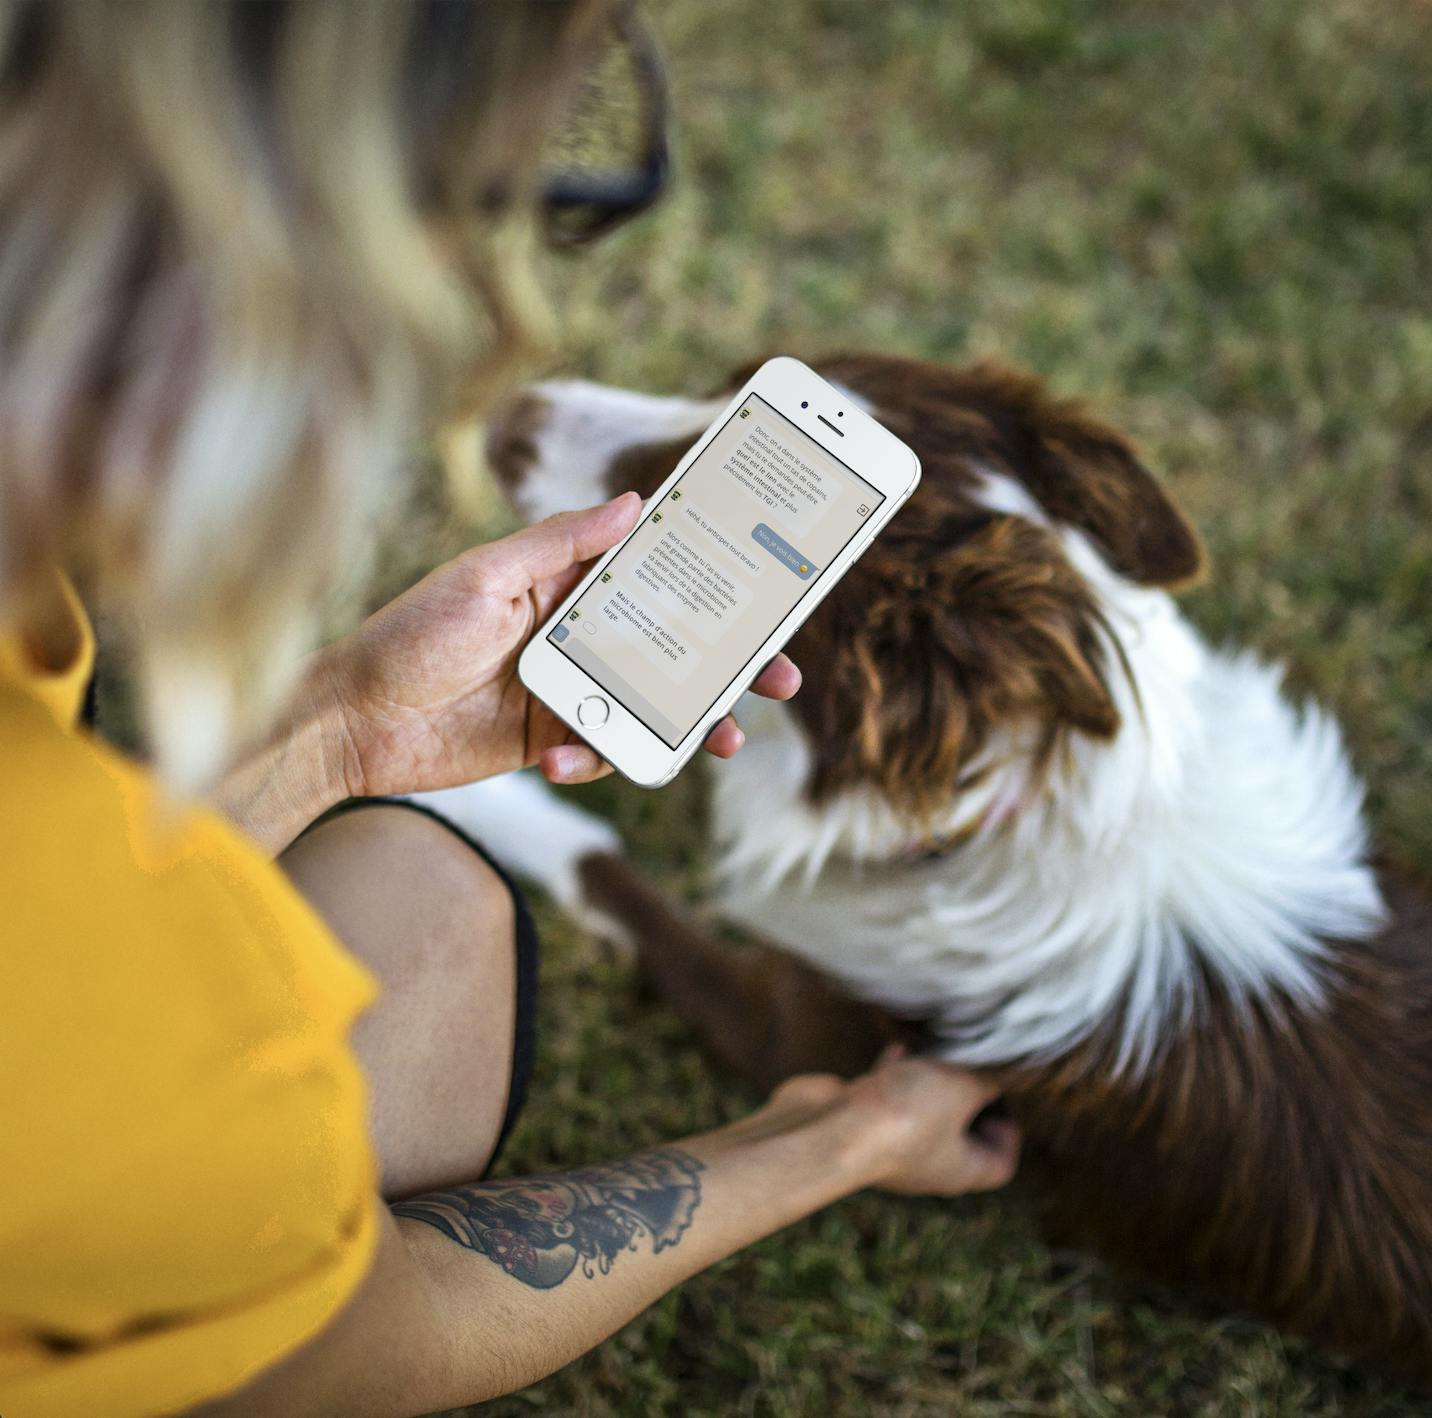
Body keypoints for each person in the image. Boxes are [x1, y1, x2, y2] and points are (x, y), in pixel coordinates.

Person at [0, 4, 1021, 1415]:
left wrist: (345, 726)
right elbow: (370, 1337)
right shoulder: (152, 1035)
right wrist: (833, 1139)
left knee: (430, 893)